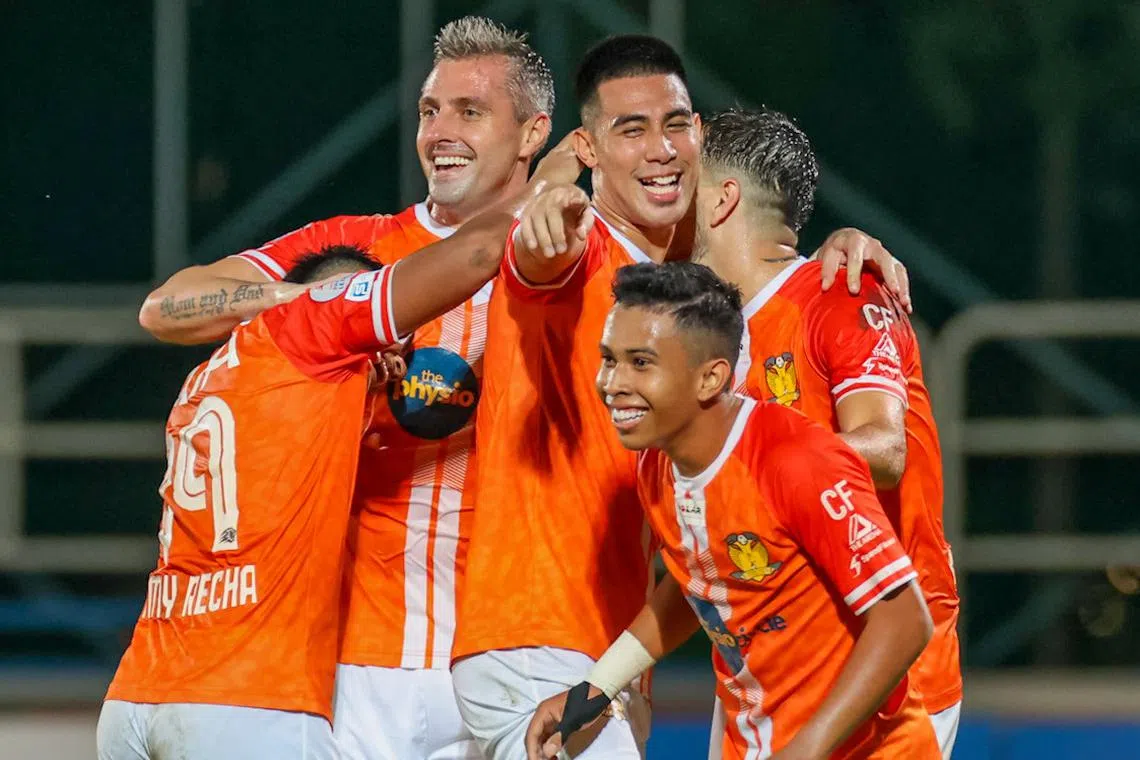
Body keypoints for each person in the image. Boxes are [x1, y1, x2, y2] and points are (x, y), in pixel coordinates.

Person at [451, 34, 908, 760]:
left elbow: (763, 237)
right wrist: (550, 195)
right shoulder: (579, 241)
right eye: (630, 130)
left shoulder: (684, 283)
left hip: (606, 654)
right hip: (537, 635)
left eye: (676, 124)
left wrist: (846, 240)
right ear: (589, 147)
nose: (661, 148)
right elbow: (541, 251)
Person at [136, 17, 563, 759]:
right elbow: (166, 308)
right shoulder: (355, 250)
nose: (441, 132)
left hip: (513, 651)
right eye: (431, 110)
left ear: (533, 134)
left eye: (470, 111)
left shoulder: (583, 258)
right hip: (356, 666)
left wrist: (837, 247)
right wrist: (309, 304)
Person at [98, 190, 525, 760]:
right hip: (248, 701)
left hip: (136, 695)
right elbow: (476, 253)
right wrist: (554, 175)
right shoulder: (320, 334)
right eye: (389, 345)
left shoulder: (211, 377)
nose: (396, 366)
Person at [526, 262, 940, 760]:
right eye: (609, 359)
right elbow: (700, 581)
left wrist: (805, 750)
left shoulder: (794, 458)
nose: (612, 383)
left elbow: (905, 621)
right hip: (756, 742)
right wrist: (596, 688)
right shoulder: (657, 467)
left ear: (710, 378)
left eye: (640, 363)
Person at [689, 107, 961, 757]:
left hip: (889, 686)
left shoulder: (841, 292)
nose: (665, 193)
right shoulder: (710, 333)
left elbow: (886, 449)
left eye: (684, 181)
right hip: (764, 677)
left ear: (722, 199)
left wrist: (750, 473)